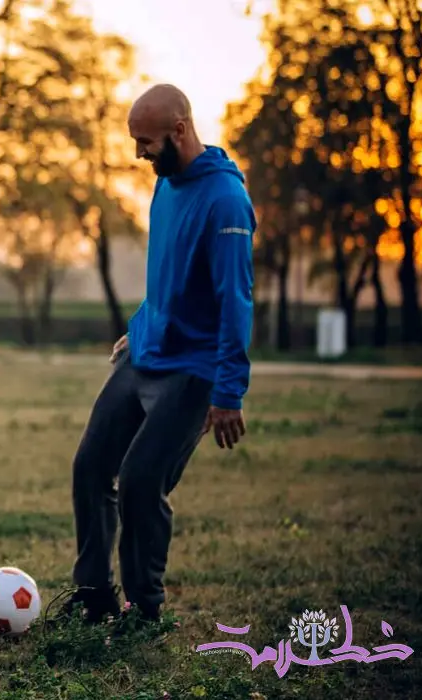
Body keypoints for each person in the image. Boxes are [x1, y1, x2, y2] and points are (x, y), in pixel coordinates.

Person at [59, 84, 255, 625]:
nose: (139, 152)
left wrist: (228, 392)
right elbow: (170, 273)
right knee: (91, 466)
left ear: (179, 130)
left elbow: (233, 301)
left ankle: (142, 608)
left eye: (145, 141)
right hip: (145, 354)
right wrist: (141, 325)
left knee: (143, 481)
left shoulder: (227, 202)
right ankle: (94, 596)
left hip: (193, 371)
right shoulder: (166, 186)